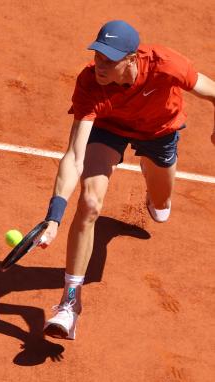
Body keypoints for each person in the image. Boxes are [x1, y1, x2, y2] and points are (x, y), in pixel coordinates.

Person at [39, 20, 215, 340]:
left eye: (109, 59)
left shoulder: (167, 66)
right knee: (90, 201)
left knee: (161, 208)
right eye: (98, 56)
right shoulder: (90, 83)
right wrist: (54, 216)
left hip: (160, 131)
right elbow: (74, 156)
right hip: (110, 129)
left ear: (132, 58)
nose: (100, 65)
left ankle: (153, 175)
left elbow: (214, 92)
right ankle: (69, 304)